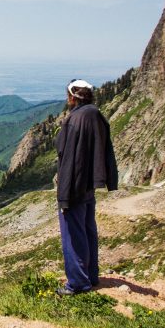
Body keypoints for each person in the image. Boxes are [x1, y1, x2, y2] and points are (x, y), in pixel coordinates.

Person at [54, 79, 118, 296]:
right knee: (88, 230)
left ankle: (77, 283)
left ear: (72, 97)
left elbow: (68, 159)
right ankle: (91, 275)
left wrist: (63, 196)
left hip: (73, 186)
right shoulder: (96, 115)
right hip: (89, 186)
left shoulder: (74, 120)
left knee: (72, 235)